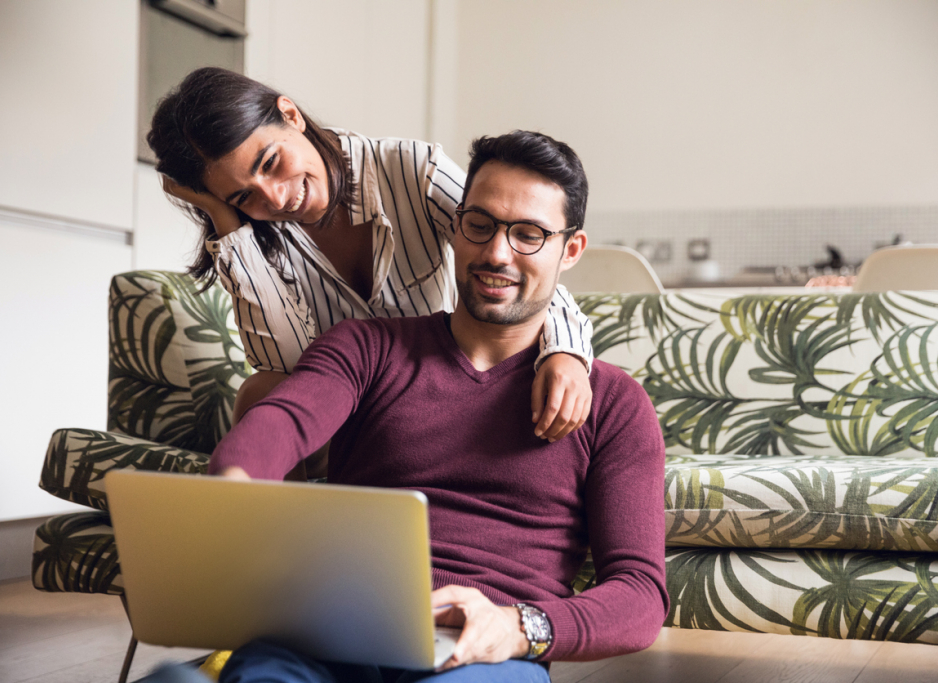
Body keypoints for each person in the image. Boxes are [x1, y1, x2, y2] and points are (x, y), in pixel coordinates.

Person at [184, 130, 668, 682]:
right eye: (479, 225)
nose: (496, 253)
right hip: (329, 631)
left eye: (529, 235)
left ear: (570, 250)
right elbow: (283, 423)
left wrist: (517, 627)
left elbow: (639, 595)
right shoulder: (367, 347)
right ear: (455, 226)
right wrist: (235, 483)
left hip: (478, 654)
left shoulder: (614, 403)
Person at [146, 68, 595, 466]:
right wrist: (227, 221)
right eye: (243, 195)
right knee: (261, 392)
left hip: (440, 387)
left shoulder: (413, 170)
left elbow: (512, 254)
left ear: (290, 115)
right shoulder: (254, 234)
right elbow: (284, 367)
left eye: (271, 162)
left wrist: (566, 353)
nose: (277, 199)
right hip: (342, 407)